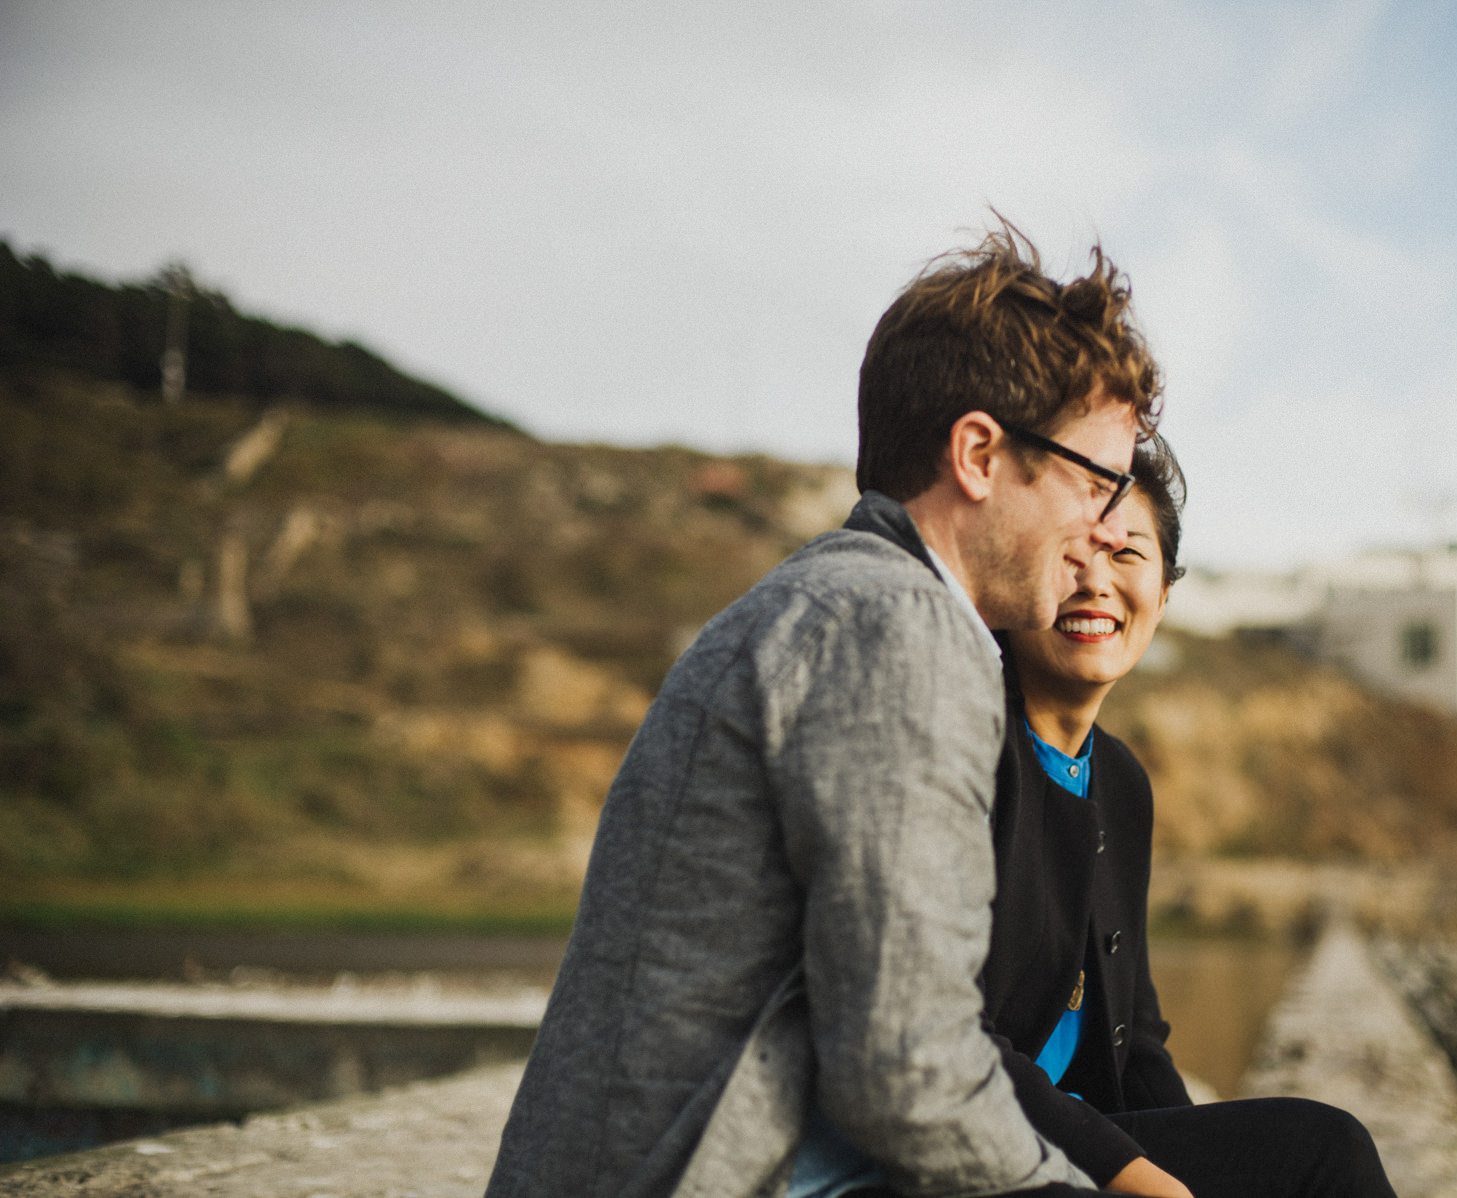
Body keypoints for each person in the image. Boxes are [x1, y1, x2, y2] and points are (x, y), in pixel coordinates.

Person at [486, 224, 1162, 1198]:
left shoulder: (843, 600)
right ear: (979, 453)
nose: (1103, 532)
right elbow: (907, 1072)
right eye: (1094, 484)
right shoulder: (897, 630)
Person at [982, 437, 1398, 1198]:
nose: (1096, 582)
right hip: (966, 1153)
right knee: (1323, 1152)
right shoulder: (968, 745)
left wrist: (1199, 1168)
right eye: (1071, 554)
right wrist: (1133, 1173)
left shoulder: (1120, 782)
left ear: (1165, 596)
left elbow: (1135, 1038)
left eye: (1127, 555)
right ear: (1014, 575)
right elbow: (942, 1031)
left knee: (1320, 1147)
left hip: (1067, 1151)